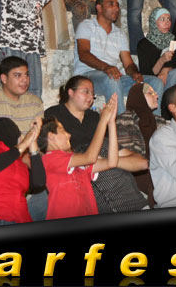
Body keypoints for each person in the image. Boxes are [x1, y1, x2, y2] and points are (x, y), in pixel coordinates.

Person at [44, 75, 150, 212]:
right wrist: (105, 160)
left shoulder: (94, 117)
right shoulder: (55, 114)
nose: (90, 97)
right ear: (71, 92)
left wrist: (109, 161)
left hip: (118, 175)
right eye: (86, 92)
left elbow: (142, 163)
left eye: (92, 94)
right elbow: (81, 158)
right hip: (93, 182)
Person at [74, 0, 164, 114]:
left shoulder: (120, 34)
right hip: (88, 75)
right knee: (112, 78)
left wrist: (134, 73)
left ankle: (155, 121)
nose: (116, 8)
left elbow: (128, 63)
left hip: (113, 77)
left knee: (155, 82)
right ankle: (122, 121)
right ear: (99, 8)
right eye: (111, 4)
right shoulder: (86, 26)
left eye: (117, 5)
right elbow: (83, 54)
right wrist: (106, 67)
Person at [0, 56, 45, 140]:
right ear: (4, 78)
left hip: (29, 148)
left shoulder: (35, 102)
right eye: (18, 75)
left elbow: (40, 139)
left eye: (27, 75)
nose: (25, 80)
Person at [135, 8, 176, 90]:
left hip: (171, 83)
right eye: (162, 19)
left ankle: (173, 98)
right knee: (157, 81)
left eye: (169, 19)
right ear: (154, 22)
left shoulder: (174, 41)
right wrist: (162, 60)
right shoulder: (144, 44)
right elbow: (146, 74)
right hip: (153, 85)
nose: (167, 23)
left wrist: (166, 69)